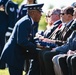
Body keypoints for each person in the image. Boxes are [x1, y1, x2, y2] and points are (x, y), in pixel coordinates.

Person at [0, 3, 44, 75]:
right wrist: (35, 47)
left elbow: (29, 40)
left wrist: (39, 45)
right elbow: (22, 41)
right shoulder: (26, 22)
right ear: (33, 12)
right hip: (13, 55)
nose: (41, 15)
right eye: (39, 12)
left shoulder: (29, 21)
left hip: (16, 54)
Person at [38, 6, 75, 75]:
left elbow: (66, 43)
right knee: (42, 53)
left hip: (67, 50)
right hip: (64, 48)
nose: (61, 16)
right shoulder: (65, 26)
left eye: (63, 14)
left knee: (47, 55)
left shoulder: (71, 27)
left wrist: (55, 46)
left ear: (69, 16)